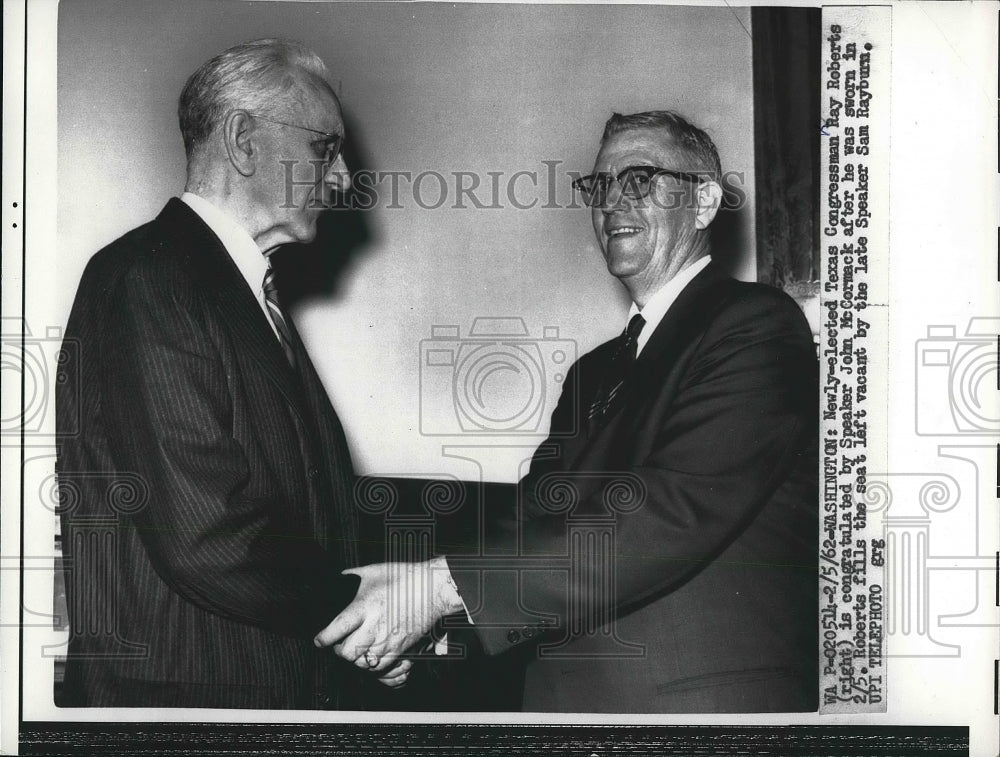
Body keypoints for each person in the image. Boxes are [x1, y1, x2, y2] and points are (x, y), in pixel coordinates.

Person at [316, 110, 819, 713]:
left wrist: (438, 589)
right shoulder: (594, 371)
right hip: (568, 711)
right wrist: (423, 624)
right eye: (600, 184)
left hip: (698, 715)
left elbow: (671, 512)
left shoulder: (754, 325)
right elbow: (534, 520)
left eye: (639, 179)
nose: (612, 202)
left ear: (704, 202)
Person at [56, 39, 409, 709]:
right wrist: (361, 614)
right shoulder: (152, 278)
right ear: (244, 140)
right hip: (185, 711)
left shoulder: (229, 289)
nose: (342, 180)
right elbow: (201, 533)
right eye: (325, 150)